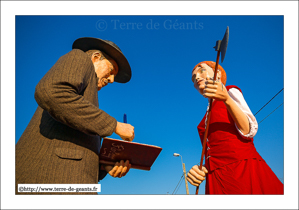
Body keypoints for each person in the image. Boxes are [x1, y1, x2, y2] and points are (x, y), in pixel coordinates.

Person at [16, 37, 135, 194]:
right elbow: (52, 92)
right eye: (111, 70)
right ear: (96, 57)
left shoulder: (88, 107)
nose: (112, 80)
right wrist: (115, 125)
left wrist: (105, 167)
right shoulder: (80, 57)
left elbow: (80, 159)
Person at [187, 61, 283, 194]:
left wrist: (226, 99)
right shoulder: (204, 118)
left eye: (201, 71)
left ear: (218, 74)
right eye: (193, 78)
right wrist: (201, 169)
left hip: (241, 170)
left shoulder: (230, 91)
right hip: (215, 178)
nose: (196, 78)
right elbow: (213, 151)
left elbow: (249, 130)